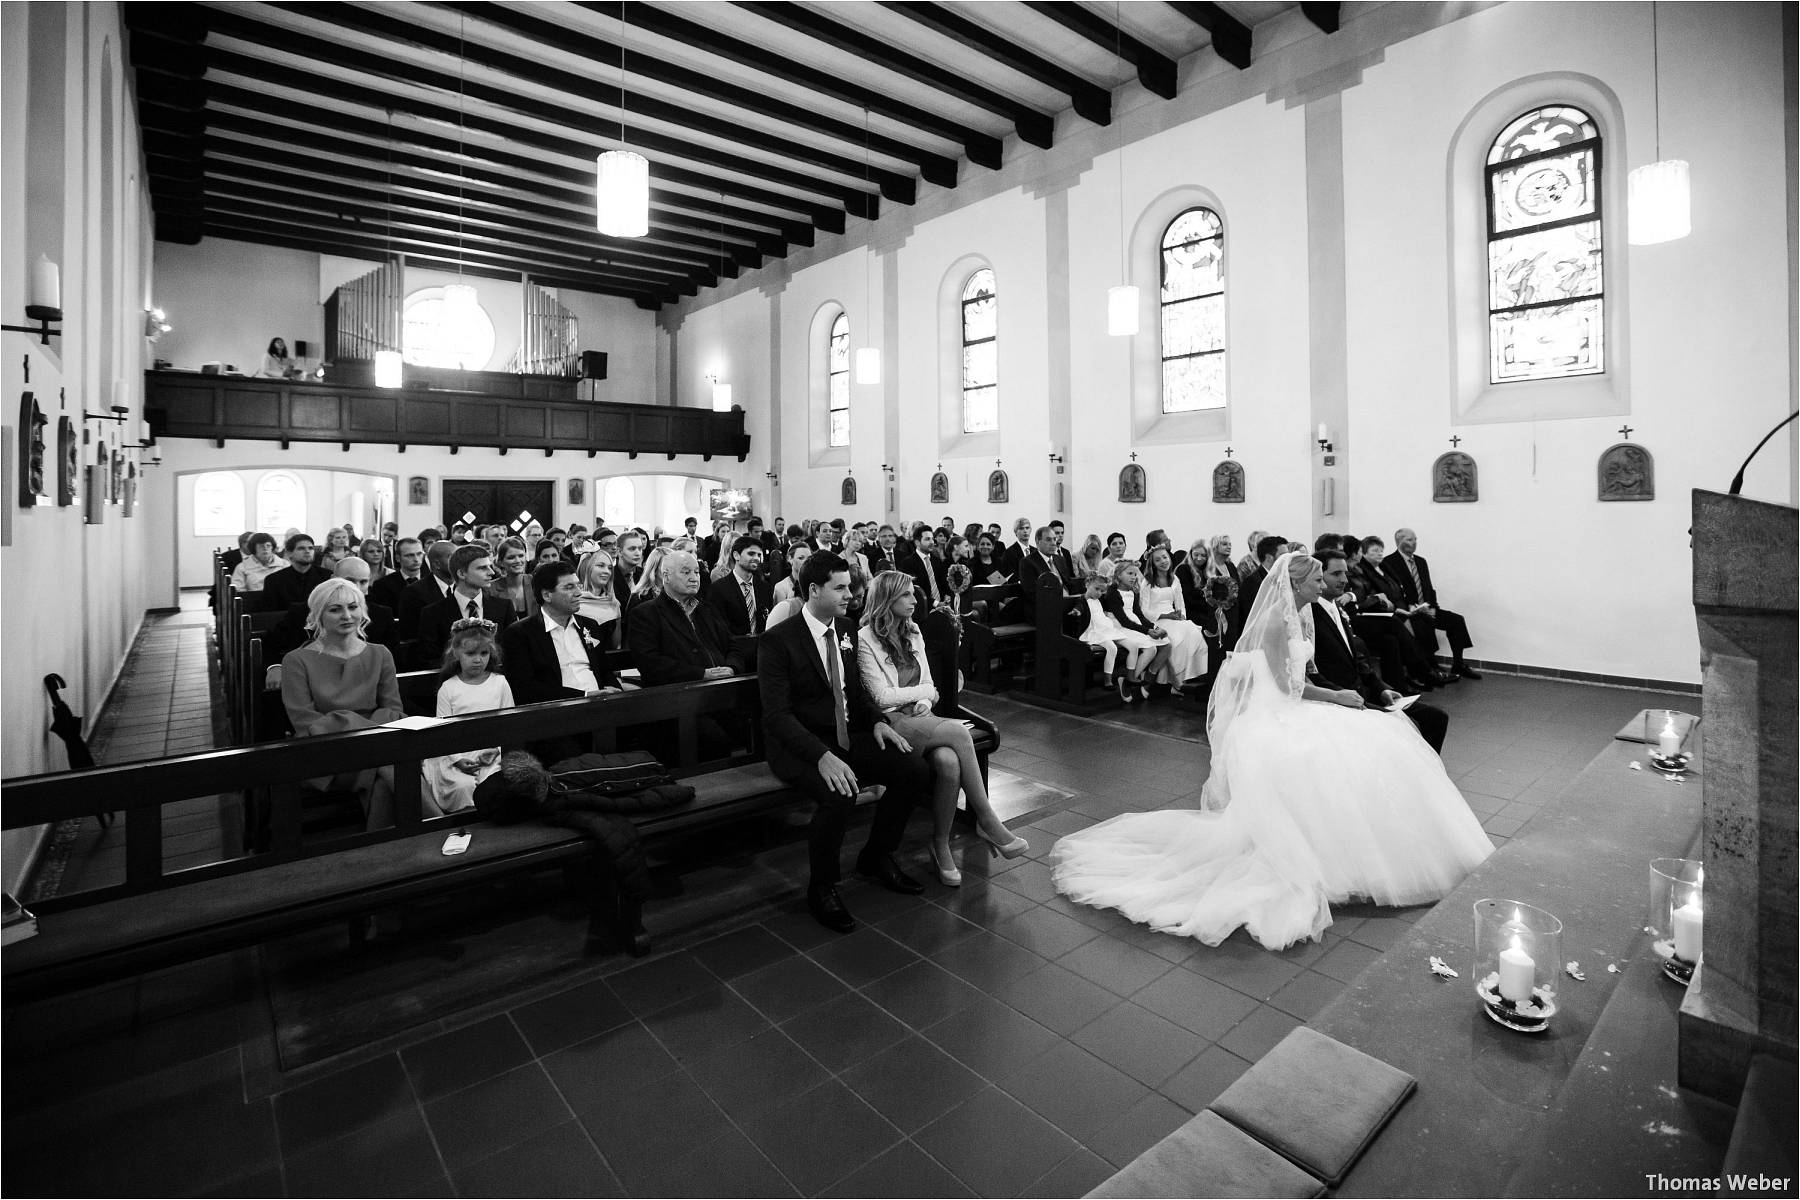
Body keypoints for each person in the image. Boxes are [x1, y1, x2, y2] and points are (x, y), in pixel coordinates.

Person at [1050, 552, 1492, 951]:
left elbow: (1304, 672)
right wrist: (1337, 698)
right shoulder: (1278, 621)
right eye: (1317, 581)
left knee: (1378, 740)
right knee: (1352, 744)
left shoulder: (1300, 615)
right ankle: (1322, 852)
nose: (1322, 589)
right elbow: (1288, 688)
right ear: (1297, 584)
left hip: (1296, 705)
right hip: (1278, 712)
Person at [758, 551, 943, 934]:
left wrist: (876, 722)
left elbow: (855, 691)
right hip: (799, 746)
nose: (849, 595)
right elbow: (777, 715)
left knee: (913, 769)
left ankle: (877, 856)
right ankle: (822, 886)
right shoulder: (779, 640)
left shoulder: (844, 630)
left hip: (844, 736)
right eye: (839, 588)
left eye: (849, 587)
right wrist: (822, 755)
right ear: (813, 590)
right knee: (838, 793)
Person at [858, 572, 1027, 886]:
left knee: (949, 763)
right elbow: (881, 697)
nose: (914, 600)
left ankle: (941, 845)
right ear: (887, 599)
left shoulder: (914, 631)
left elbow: (929, 684)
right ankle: (987, 819)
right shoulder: (865, 637)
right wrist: (923, 695)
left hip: (922, 716)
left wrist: (925, 699)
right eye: (906, 595)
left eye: (913, 594)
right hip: (891, 722)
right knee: (960, 732)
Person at [280, 578, 404, 829]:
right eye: (335, 609)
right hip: (326, 751)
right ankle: (440, 823)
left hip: (377, 743)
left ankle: (378, 853)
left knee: (383, 774)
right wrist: (364, 729)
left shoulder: (380, 653)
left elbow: (393, 710)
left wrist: (367, 733)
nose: (347, 616)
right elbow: (305, 722)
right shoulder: (297, 660)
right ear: (318, 615)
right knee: (390, 767)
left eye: (353, 607)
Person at [1310, 549, 1449, 751]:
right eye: (1336, 574)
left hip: (1363, 692)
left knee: (1436, 717)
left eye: (1345, 573)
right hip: (1340, 698)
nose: (1344, 580)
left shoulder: (1336, 608)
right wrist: (1342, 695)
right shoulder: (1310, 615)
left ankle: (1426, 773)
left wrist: (1381, 688)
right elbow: (1313, 672)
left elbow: (1358, 661)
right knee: (1402, 728)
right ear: (1318, 576)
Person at [422, 618, 514, 816]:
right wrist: (457, 760)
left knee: (493, 784)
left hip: (492, 750)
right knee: (461, 786)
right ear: (456, 654)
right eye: (470, 653)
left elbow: (509, 723)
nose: (478, 660)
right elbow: (443, 729)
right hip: (456, 751)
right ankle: (463, 823)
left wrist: (495, 750)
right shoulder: (448, 688)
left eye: (484, 653)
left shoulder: (500, 683)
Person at [1382, 528, 1480, 679]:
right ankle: (1430, 666)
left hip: (1426, 608)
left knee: (1456, 621)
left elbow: (1428, 588)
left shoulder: (1420, 561)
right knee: (1423, 624)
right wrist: (1408, 607)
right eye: (1409, 540)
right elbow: (1391, 591)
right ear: (1398, 541)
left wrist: (1433, 607)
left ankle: (1458, 665)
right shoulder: (1389, 562)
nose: (1414, 543)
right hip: (1408, 611)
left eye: (1415, 539)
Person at [416, 544, 516, 668]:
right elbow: (429, 659)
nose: (491, 572)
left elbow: (513, 652)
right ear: (462, 573)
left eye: (490, 566)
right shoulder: (432, 613)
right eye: (482, 568)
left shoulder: (504, 607)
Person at [1067, 573, 1159, 703]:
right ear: (1087, 585)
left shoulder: (1099, 600)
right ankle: (1107, 679)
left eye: (1102, 590)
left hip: (1108, 629)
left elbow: (1111, 603)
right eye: (1096, 589)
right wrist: (1077, 611)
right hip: (1095, 631)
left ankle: (1131, 676)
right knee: (1112, 648)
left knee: (1133, 646)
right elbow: (1079, 607)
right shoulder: (1082, 599)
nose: (1099, 593)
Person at [1139, 546, 1208, 695]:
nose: (1163, 561)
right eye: (1157, 560)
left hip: (1173, 617)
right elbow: (1144, 611)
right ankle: (1175, 683)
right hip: (1156, 620)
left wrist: (1181, 615)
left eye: (1164, 557)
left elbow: (1180, 602)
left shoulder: (1174, 578)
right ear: (1152, 564)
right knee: (1175, 640)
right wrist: (1166, 616)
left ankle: (1187, 677)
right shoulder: (1147, 582)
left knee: (1192, 632)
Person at [260, 533, 332, 610]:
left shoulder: (327, 576)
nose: (307, 551)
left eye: (311, 548)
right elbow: (271, 614)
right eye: (301, 548)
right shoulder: (274, 580)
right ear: (289, 553)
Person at [575, 549, 622, 646]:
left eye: (610, 568)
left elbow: (616, 646)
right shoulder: (573, 603)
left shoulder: (614, 604)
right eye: (601, 566)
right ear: (587, 568)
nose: (607, 571)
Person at [487, 536, 537, 623]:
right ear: (501, 562)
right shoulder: (490, 589)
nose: (518, 561)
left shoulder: (536, 582)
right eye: (511, 557)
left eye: (521, 556)